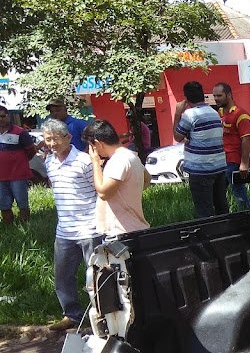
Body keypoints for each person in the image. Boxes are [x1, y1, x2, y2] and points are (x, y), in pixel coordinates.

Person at [40, 119, 100, 331]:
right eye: (48, 139)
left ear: (68, 137)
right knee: (63, 276)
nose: (52, 143)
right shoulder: (49, 161)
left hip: (90, 228)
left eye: (56, 138)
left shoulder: (84, 161)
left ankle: (100, 317)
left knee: (95, 276)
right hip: (64, 230)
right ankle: (72, 315)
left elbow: (99, 189)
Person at [83, 119, 149, 238]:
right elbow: (147, 178)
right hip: (132, 228)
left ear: (98, 144)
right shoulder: (131, 156)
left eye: (92, 147)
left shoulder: (118, 160)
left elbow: (103, 193)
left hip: (121, 232)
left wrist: (95, 162)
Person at [174, 81, 228, 218]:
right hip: (218, 167)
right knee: (221, 206)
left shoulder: (190, 115)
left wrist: (177, 113)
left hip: (201, 170)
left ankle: (209, 231)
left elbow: (177, 136)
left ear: (186, 99)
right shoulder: (214, 112)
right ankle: (226, 228)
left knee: (204, 210)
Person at [212, 82, 250, 210]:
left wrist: (244, 164)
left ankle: (245, 215)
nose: (216, 99)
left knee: (239, 192)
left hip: (233, 162)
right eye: (214, 96)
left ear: (229, 95)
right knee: (217, 194)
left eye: (219, 95)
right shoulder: (220, 112)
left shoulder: (241, 115)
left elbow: (246, 139)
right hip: (220, 161)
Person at [0, 104, 36, 224]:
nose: (1, 119)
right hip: (0, 178)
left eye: (3, 116)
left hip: (18, 176)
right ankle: (9, 228)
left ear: (8, 116)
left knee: (22, 204)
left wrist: (20, 163)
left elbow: (31, 151)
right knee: (4, 205)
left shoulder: (20, 132)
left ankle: (25, 226)